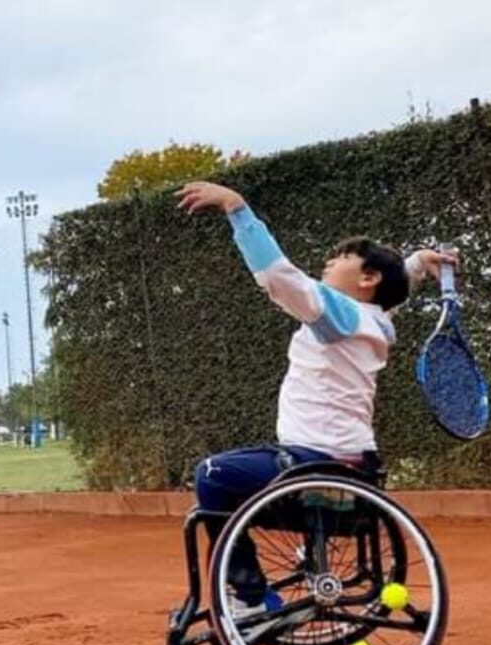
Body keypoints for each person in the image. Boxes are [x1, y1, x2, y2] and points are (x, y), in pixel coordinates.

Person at [174, 181, 456, 617]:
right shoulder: (374, 323)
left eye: (341, 258)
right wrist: (415, 264)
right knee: (230, 480)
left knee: (211, 474)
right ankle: (247, 590)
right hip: (355, 471)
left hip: (311, 464)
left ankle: (248, 598)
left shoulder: (340, 313)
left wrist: (237, 207)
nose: (329, 261)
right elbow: (386, 300)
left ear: (367, 278)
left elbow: (278, 276)